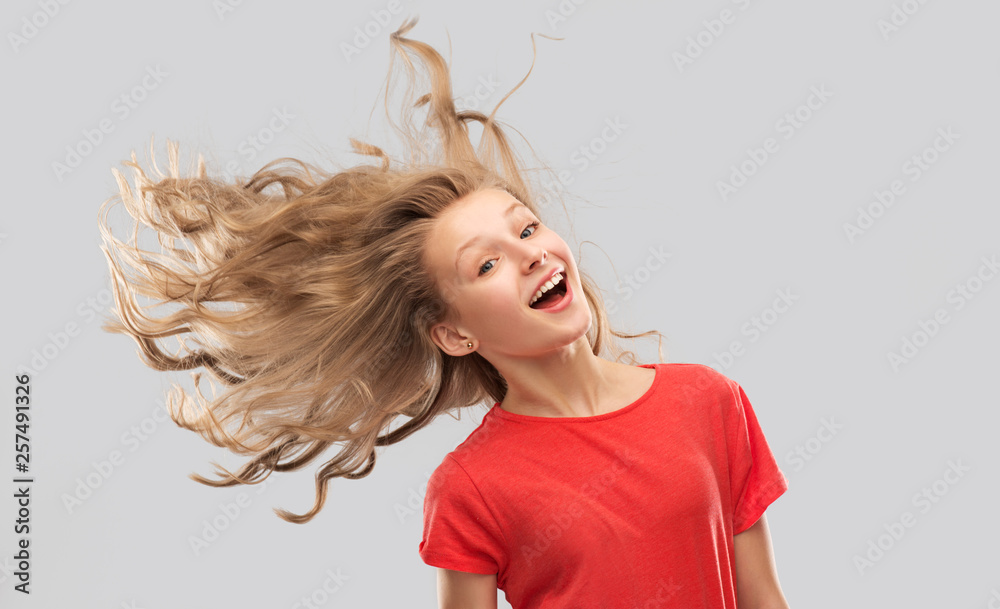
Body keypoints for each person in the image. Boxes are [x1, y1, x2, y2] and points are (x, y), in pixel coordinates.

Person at [97, 16, 790, 609]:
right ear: (453, 331)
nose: (528, 255)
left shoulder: (709, 401)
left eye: (525, 230)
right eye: (484, 264)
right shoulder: (470, 487)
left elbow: (765, 598)